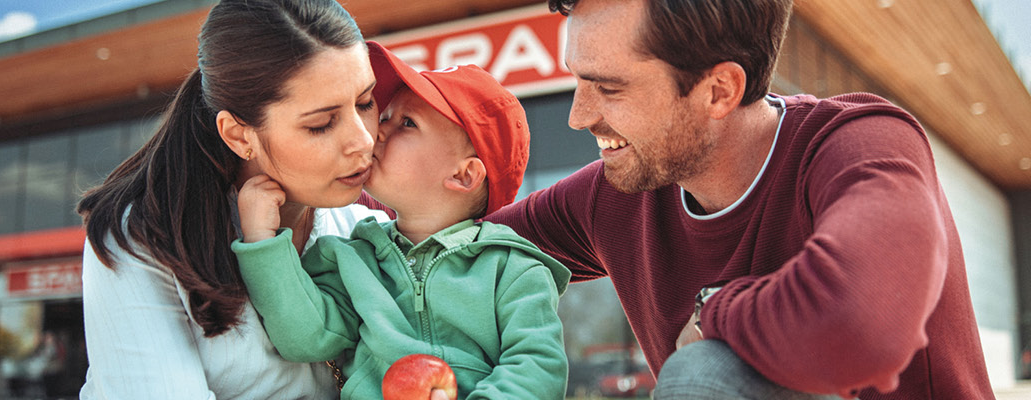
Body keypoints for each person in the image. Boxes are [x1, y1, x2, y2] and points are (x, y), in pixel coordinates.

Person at [482, 0, 995, 398]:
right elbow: (460, 244)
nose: (578, 116)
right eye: (577, 79)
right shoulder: (617, 193)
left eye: (609, 89)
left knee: (706, 372)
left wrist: (713, 311)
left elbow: (862, 322)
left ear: (719, 90)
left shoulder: (859, 145)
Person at [73, 0, 386, 398]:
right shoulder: (142, 238)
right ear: (239, 135)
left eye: (365, 103)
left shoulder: (362, 229)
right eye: (321, 124)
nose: (363, 140)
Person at [232, 42, 570, 400]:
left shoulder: (515, 271)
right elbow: (306, 338)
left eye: (406, 123)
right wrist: (263, 243)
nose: (373, 133)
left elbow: (537, 368)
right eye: (384, 117)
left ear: (464, 175)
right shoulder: (350, 259)